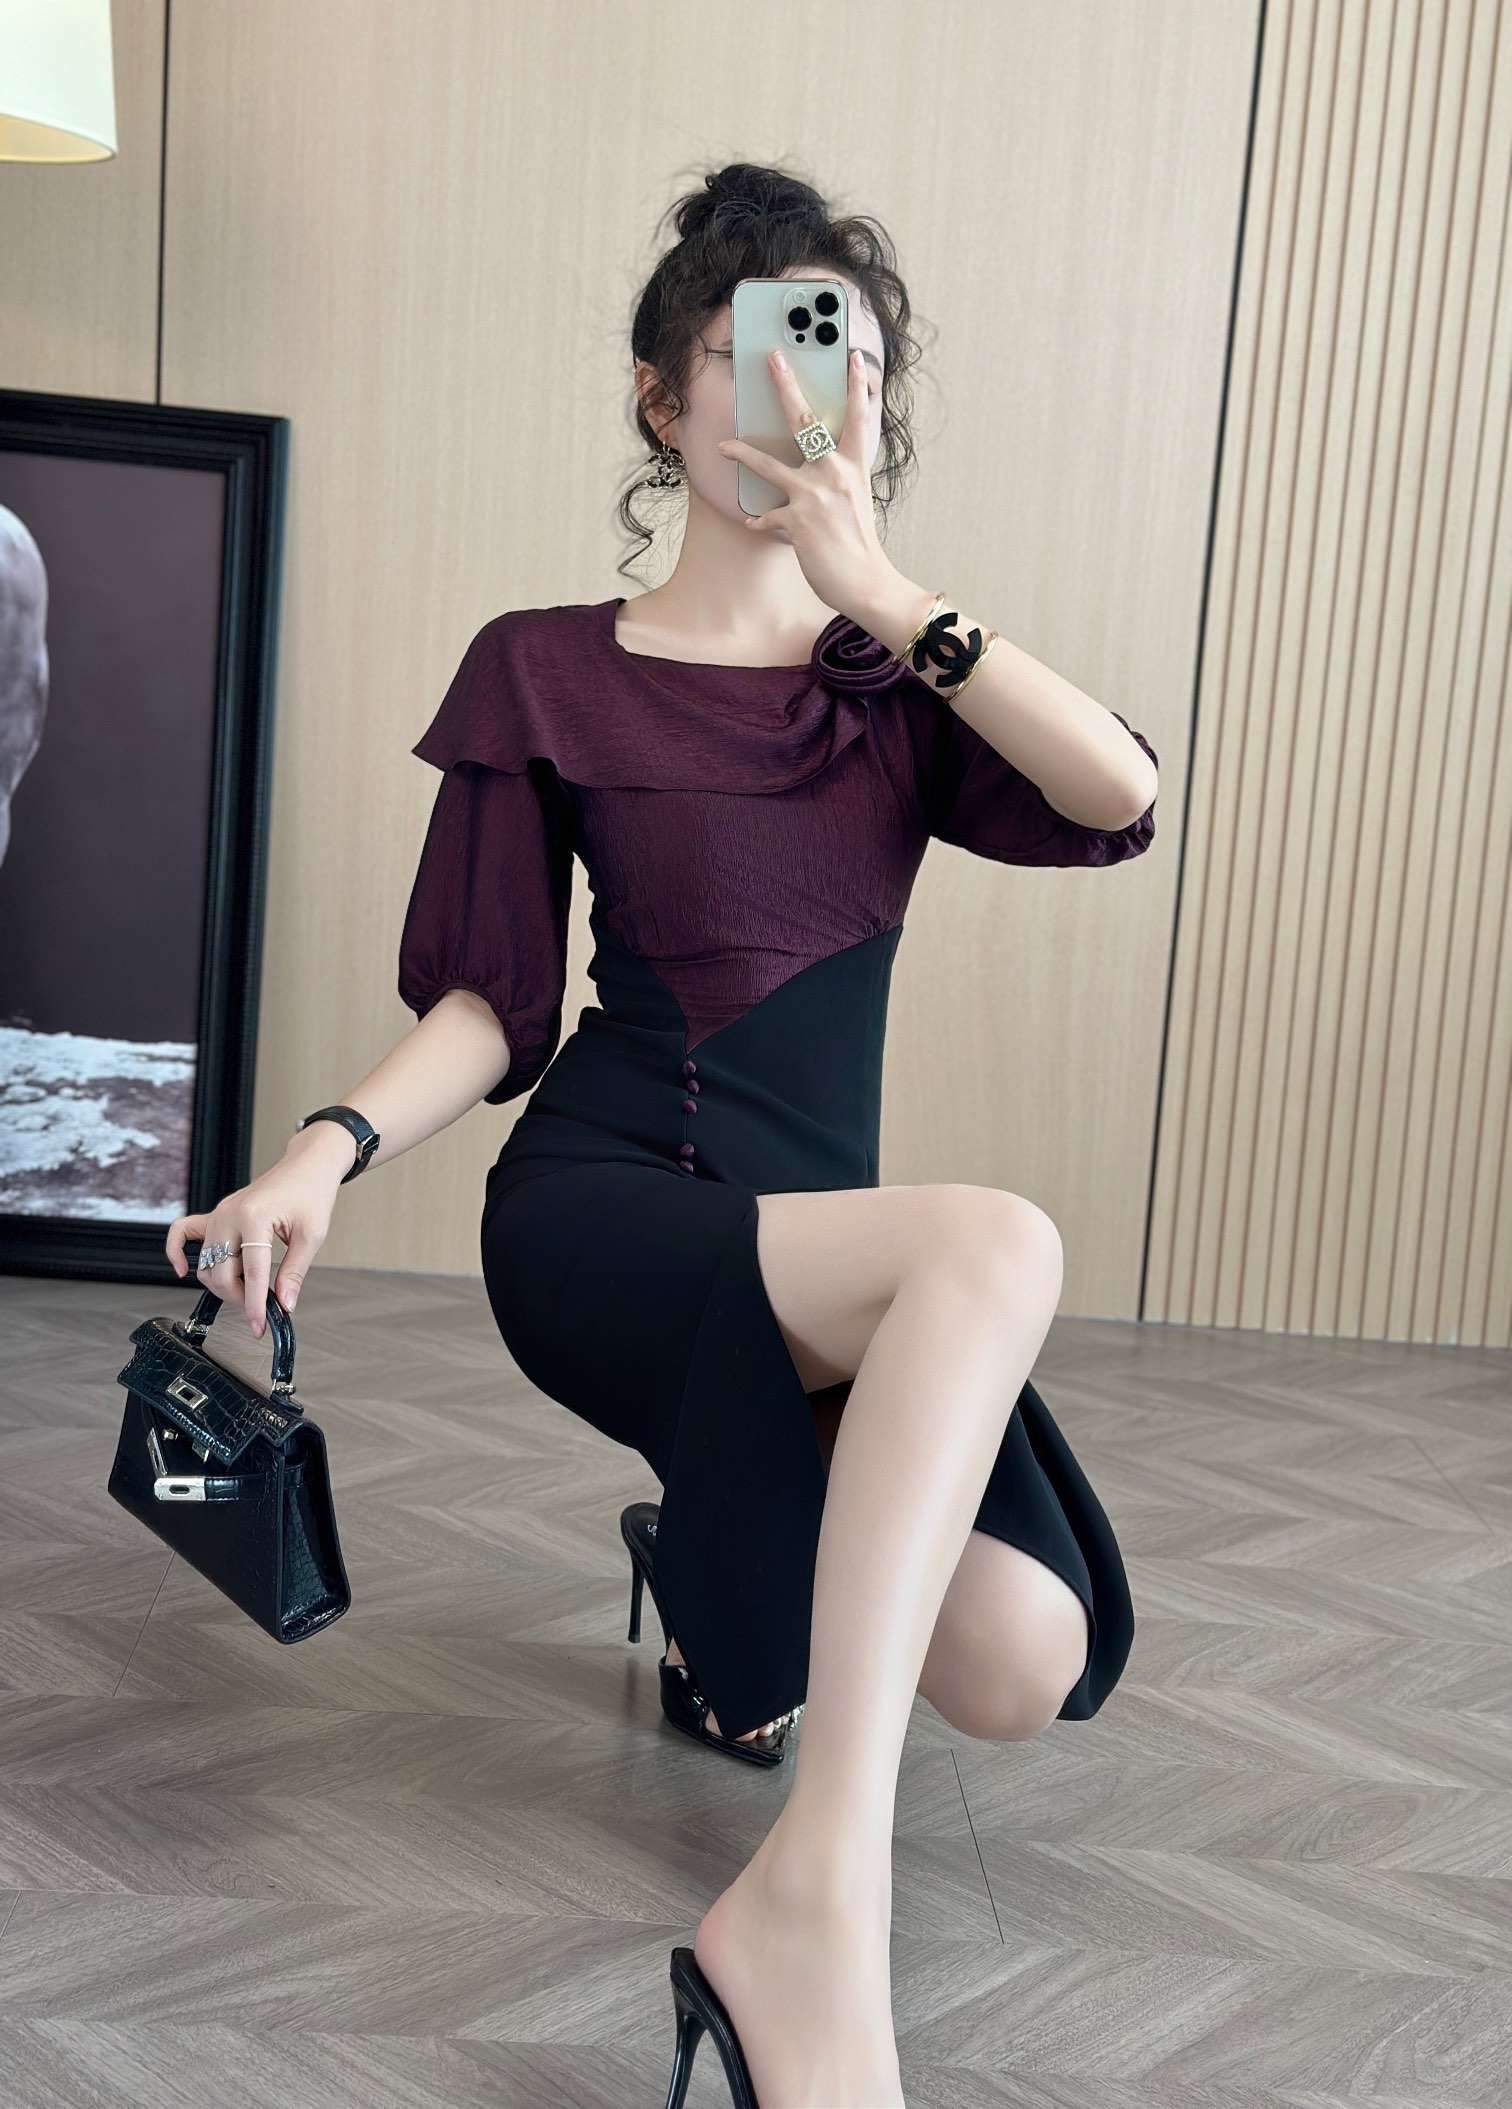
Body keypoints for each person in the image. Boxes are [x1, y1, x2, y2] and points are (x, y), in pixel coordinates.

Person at [168, 162, 1159, 2109]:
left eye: (841, 361)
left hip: (817, 1257)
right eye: (754, 352)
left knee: (1019, 1657)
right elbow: (494, 1003)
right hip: (607, 1208)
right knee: (998, 1243)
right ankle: (815, 1900)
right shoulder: (545, 663)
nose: (803, 395)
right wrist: (323, 1148)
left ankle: (712, 1543)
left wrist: (887, 598)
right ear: (659, 394)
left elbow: (1117, 793)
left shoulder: (898, 685)